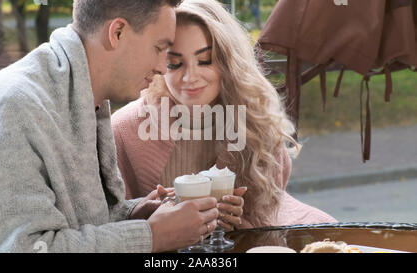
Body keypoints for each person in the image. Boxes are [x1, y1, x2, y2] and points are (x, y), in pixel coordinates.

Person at [0, 0, 220, 253]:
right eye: (159, 48)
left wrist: (136, 213)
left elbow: (80, 220)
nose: (161, 68)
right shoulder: (13, 107)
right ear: (117, 32)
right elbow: (22, 248)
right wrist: (151, 236)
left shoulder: (83, 95)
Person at [111, 0, 337, 230]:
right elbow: (114, 220)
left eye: (205, 60)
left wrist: (240, 224)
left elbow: (269, 213)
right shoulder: (123, 130)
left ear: (228, 61)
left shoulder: (255, 121)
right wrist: (148, 213)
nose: (190, 77)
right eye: (175, 63)